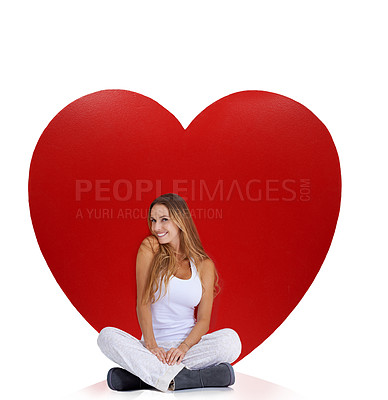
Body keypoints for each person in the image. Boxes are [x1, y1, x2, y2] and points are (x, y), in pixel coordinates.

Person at [97, 193, 242, 392]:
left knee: (231, 341)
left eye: (164, 220)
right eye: (153, 220)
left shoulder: (203, 264)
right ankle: (187, 379)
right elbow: (143, 303)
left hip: (188, 349)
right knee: (106, 336)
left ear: (180, 220)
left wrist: (183, 348)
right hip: (151, 348)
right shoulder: (150, 248)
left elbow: (203, 321)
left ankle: (146, 378)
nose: (157, 227)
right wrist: (152, 346)